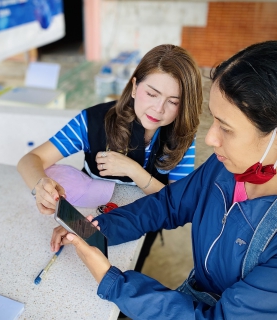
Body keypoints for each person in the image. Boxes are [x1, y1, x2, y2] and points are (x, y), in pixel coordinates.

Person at [51, 40, 277, 319]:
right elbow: (168, 204)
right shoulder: (227, 167)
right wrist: (97, 230)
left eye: (226, 129)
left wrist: (110, 279)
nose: (210, 138)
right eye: (214, 120)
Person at [18, 44, 203, 272]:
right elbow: (30, 159)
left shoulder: (183, 135)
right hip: (88, 214)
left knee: (134, 266)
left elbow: (181, 204)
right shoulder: (92, 121)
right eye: (152, 94)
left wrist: (133, 169)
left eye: (173, 101)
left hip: (141, 223)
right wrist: (40, 184)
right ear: (134, 87)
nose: (158, 109)